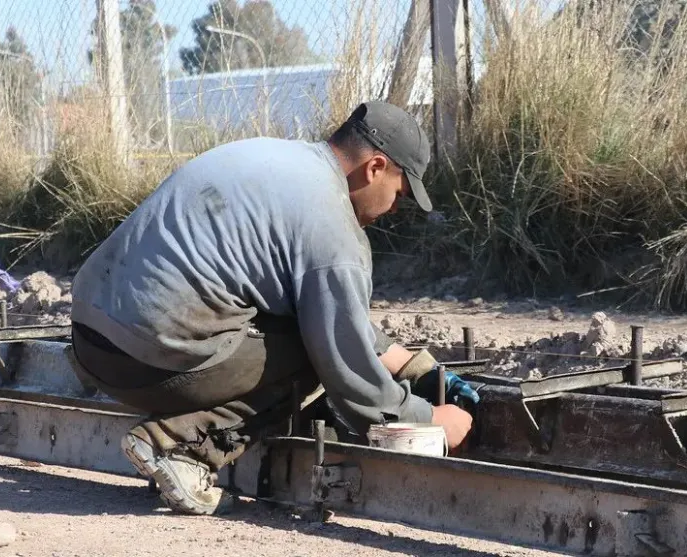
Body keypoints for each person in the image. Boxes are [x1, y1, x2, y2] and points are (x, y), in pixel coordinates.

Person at [69, 101, 478, 516]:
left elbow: (326, 309)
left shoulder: (278, 159)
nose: (393, 209)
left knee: (301, 323)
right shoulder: (332, 225)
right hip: (148, 362)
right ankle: (180, 446)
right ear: (375, 168)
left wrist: (413, 367)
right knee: (315, 353)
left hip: (91, 343)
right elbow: (350, 374)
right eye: (399, 194)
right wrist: (427, 418)